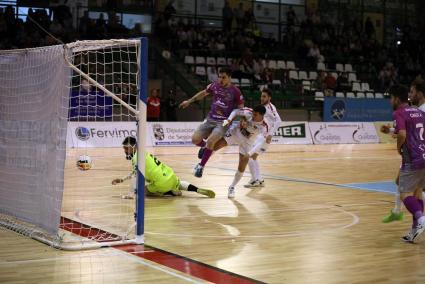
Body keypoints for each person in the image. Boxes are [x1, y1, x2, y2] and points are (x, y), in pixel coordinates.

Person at [179, 67, 244, 178]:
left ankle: (201, 166)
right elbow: (203, 93)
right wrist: (189, 101)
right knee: (195, 140)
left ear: (229, 78)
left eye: (223, 77)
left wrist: (240, 121)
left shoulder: (236, 92)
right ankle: (204, 147)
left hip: (223, 122)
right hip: (210, 119)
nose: (221, 80)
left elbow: (240, 108)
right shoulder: (215, 85)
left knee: (211, 141)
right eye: (219, 77)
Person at [112, 136, 215, 198]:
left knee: (143, 191)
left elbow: (136, 176)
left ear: (133, 147)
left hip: (162, 183)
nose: (125, 151)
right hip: (170, 174)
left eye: (126, 148)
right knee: (178, 183)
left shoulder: (136, 158)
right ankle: (196, 190)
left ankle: (169, 192)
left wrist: (132, 194)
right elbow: (135, 172)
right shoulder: (144, 153)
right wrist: (122, 179)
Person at [381, 80, 425, 223]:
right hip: (421, 152)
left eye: (412, 92)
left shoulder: (404, 111)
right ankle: (413, 223)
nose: (410, 95)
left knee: (405, 191)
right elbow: (413, 129)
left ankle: (419, 220)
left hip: (413, 154)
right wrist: (392, 130)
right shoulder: (418, 110)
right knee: (415, 189)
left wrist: (399, 148)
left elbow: (404, 134)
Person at [212, 105, 270, 198]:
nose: (253, 116)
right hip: (236, 133)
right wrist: (230, 119)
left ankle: (232, 187)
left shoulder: (265, 126)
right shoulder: (249, 112)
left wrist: (249, 153)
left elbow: (261, 142)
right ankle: (201, 164)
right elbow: (235, 110)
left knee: (242, 167)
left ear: (261, 115)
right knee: (215, 146)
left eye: (255, 115)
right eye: (253, 113)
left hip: (247, 143)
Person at [244, 89, 282, 188]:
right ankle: (259, 180)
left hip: (264, 138)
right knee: (253, 157)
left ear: (269, 98)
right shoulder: (262, 108)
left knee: (248, 155)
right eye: (261, 96)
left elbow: (278, 121)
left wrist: (270, 134)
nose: (262, 98)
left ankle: (254, 180)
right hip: (260, 136)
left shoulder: (270, 107)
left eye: (264, 96)